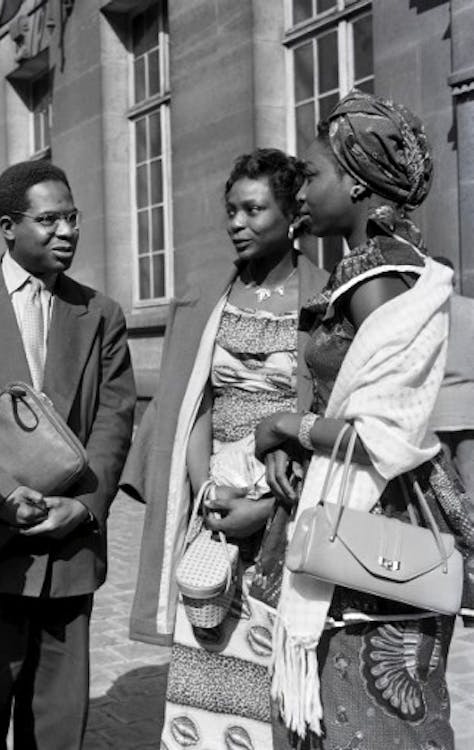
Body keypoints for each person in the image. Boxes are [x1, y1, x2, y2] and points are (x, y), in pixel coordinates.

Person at [254, 90, 474, 749]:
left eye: (312, 174)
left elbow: (383, 434)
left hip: (375, 527)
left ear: (354, 180)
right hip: (374, 512)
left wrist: (280, 429)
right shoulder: (377, 268)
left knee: (368, 718)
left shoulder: (375, 277)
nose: (298, 191)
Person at [0, 160, 136, 750]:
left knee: (60, 727)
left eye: (72, 217)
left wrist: (86, 508)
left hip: (68, 553)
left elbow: (114, 419)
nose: (66, 231)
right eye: (49, 220)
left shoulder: (102, 315)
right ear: (9, 226)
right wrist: (1, 496)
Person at [120, 149, 328, 749]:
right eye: (231, 209)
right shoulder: (207, 297)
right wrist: (209, 489)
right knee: (208, 669)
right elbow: (193, 404)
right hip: (212, 506)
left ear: (291, 215)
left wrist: (270, 510)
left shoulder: (324, 301)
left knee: (282, 677)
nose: (236, 222)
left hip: (289, 506)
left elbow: (328, 416)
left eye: (253, 209)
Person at [429, 257, 474, 498]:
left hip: (436, 408)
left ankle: (450, 534)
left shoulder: (425, 315)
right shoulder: (472, 309)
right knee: (472, 477)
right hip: (470, 408)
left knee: (443, 487)